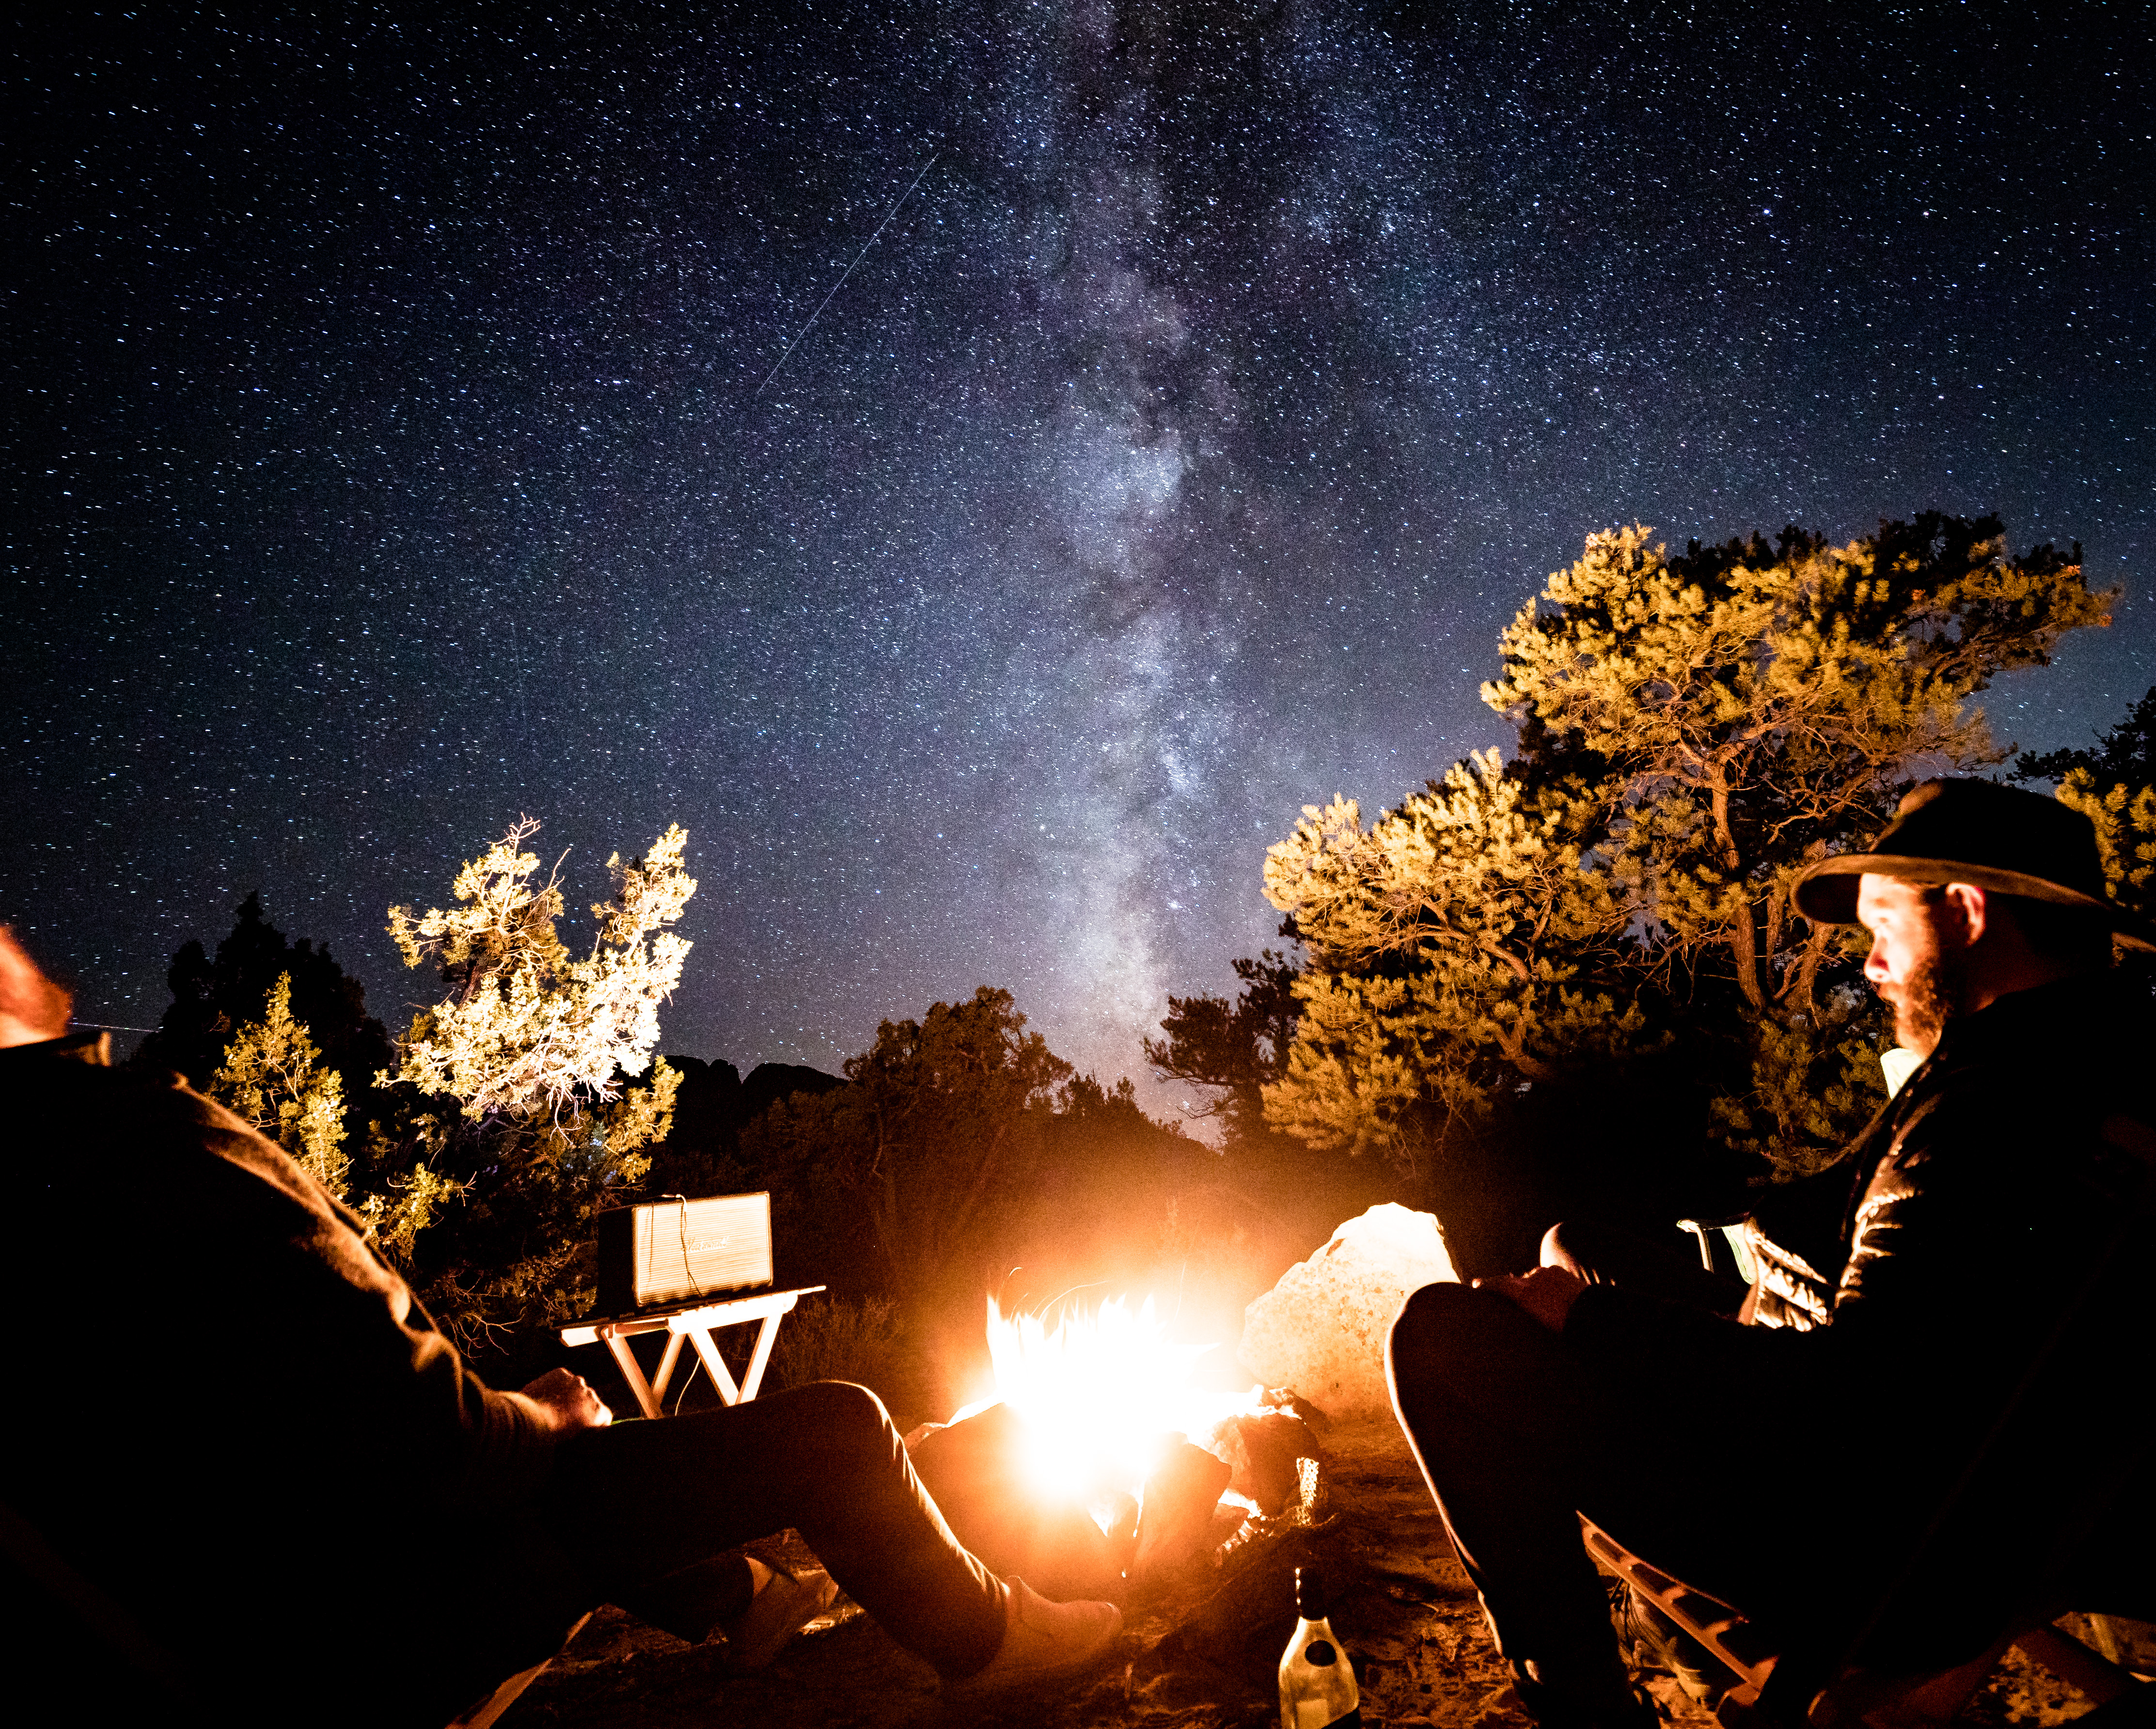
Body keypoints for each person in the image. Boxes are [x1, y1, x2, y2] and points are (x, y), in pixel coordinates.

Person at [0, 926, 1120, 1727]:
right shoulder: (133, 1142)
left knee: (592, 1460)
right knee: (838, 1424)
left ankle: (747, 1596)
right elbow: (430, 1440)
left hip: (258, 1610)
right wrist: (539, 1414)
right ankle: (989, 1642)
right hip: (377, 1621)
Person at [1385, 778, 2156, 1728]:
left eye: (1884, 923)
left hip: (1894, 1557)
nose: (1870, 963)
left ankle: (1584, 1717)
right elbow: (1920, 1290)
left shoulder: (1994, 1105)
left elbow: (1852, 1405)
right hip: (2014, 1503)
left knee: (1443, 1335)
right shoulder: (2093, 1064)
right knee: (1575, 1243)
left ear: (1965, 912)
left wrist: (1581, 1317)